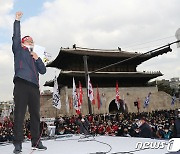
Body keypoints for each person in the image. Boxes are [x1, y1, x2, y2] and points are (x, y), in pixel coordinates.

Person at [12, 12, 47, 154]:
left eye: (32, 41)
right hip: (21, 83)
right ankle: (18, 144)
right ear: (23, 43)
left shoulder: (36, 55)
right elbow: (16, 37)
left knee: (35, 115)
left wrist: (38, 58)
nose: (30, 43)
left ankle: (36, 141)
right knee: (19, 114)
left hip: (34, 86)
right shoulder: (19, 50)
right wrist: (17, 21)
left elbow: (43, 71)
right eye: (28, 41)